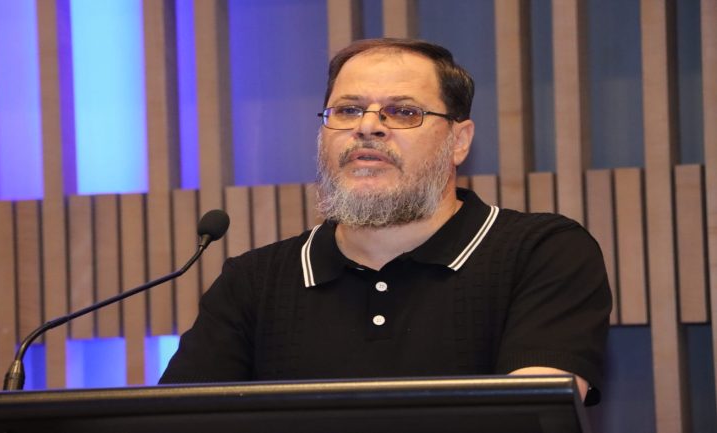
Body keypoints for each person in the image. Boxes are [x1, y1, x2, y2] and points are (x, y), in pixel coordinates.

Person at [160, 38, 611, 405]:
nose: (368, 127)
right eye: (348, 110)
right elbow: (177, 420)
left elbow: (530, 417)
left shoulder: (542, 253)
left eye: (403, 112)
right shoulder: (254, 281)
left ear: (459, 141)